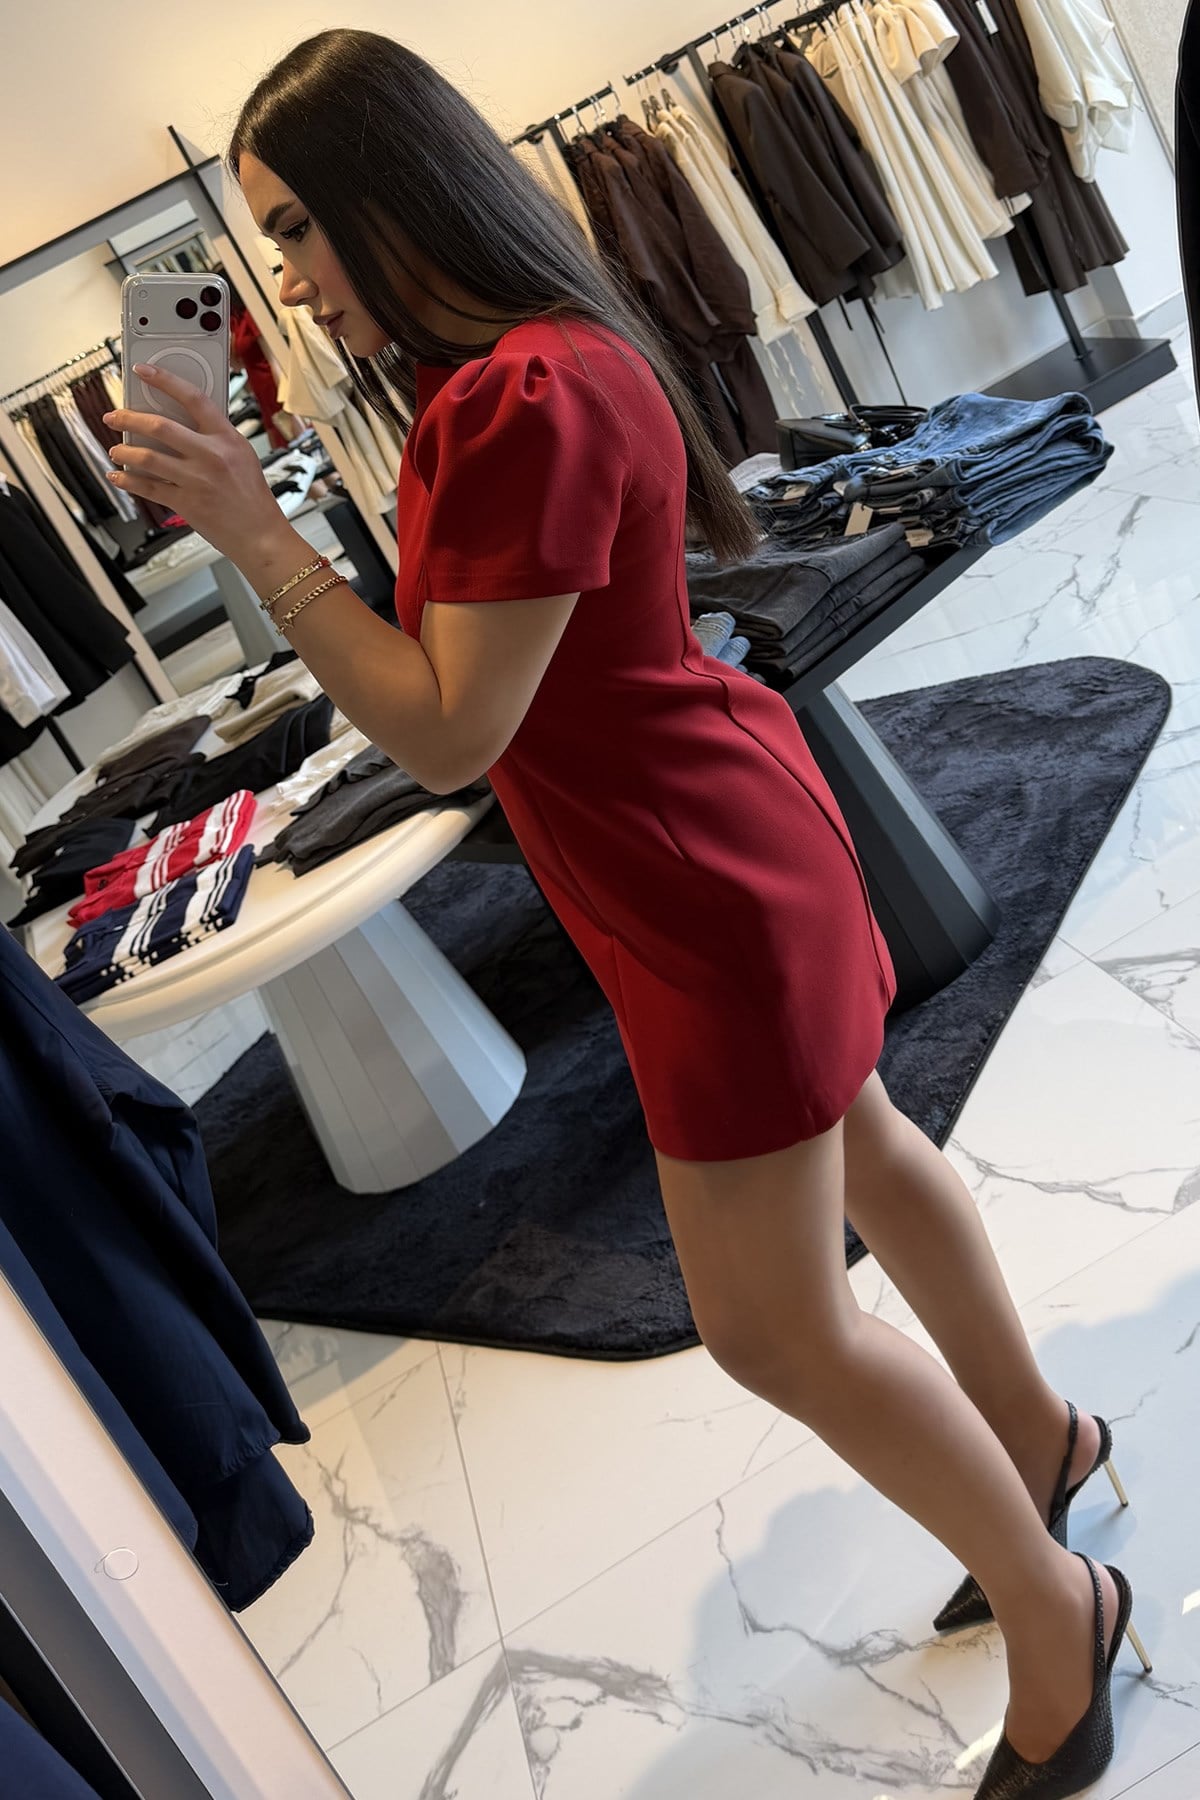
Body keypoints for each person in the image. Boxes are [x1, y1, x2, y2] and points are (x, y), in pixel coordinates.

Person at [101, 29, 1148, 1797]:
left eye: (296, 228)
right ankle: (1044, 1447)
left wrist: (253, 537)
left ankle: (1063, 1611)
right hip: (706, 835)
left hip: (693, 879)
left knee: (770, 1326)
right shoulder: (535, 360)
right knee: (871, 1148)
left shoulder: (512, 400)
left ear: (386, 195)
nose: (287, 280)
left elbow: (449, 729)